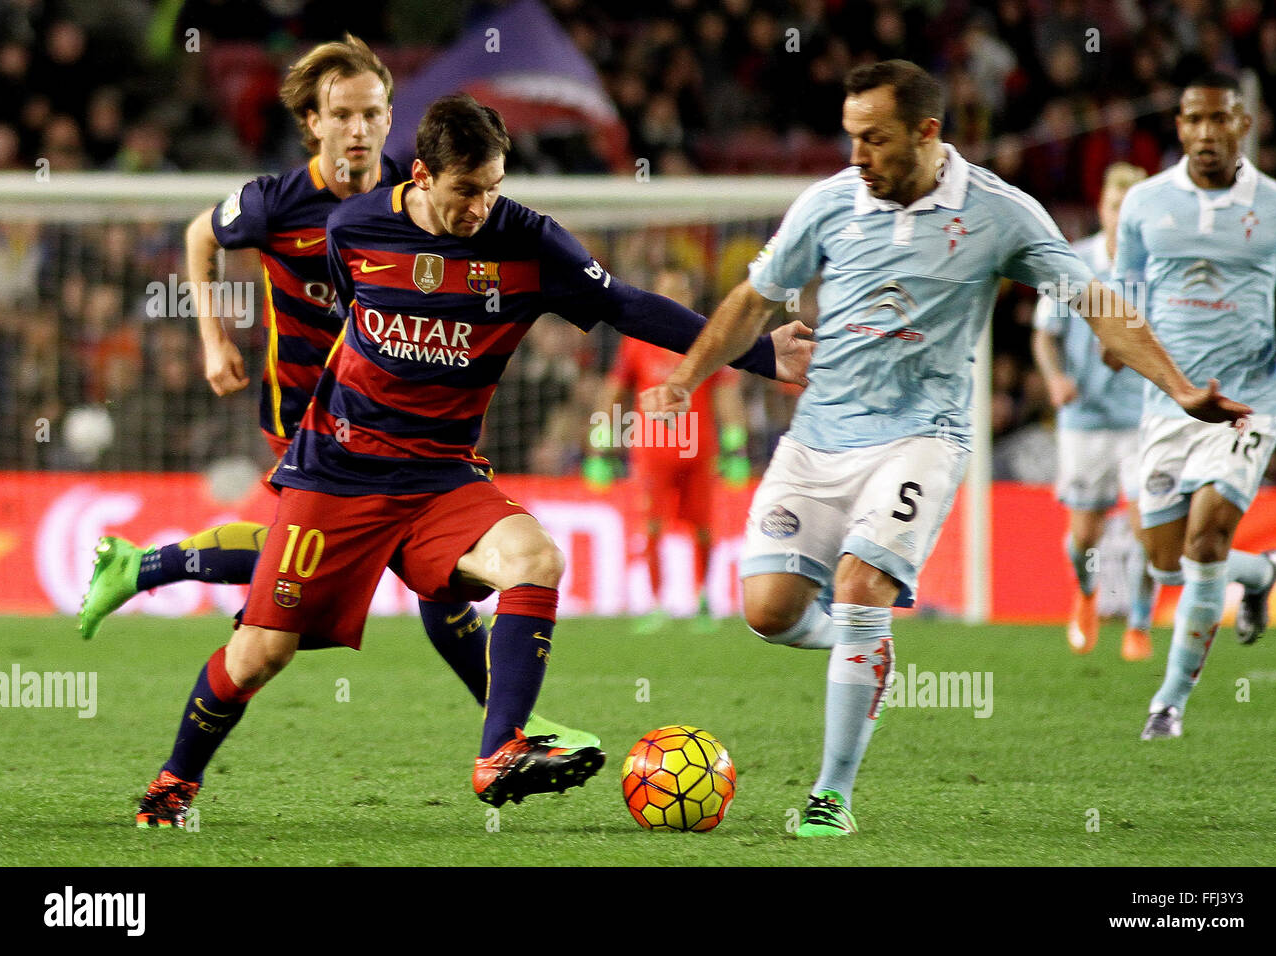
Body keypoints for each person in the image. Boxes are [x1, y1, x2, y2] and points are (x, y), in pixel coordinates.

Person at [133, 92, 814, 827]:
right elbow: (347, 315)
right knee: (260, 654)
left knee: (537, 560)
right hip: (337, 472)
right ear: (421, 175)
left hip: (440, 475)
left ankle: (501, 751)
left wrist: (756, 352)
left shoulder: (529, 242)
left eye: (493, 187)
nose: (481, 207)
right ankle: (173, 785)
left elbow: (629, 306)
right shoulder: (354, 225)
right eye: (465, 191)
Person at [641, 59, 1246, 837]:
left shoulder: (1001, 213)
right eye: (852, 137)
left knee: (861, 590)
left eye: (875, 139)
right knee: (767, 611)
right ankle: (867, 655)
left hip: (922, 439)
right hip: (819, 438)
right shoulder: (829, 204)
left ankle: (831, 795)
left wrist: (1181, 385)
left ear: (928, 133)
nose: (857, 155)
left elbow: (1098, 304)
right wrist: (686, 379)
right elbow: (752, 300)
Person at [78, 34, 596, 756]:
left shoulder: (415, 198)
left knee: (401, 571)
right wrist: (212, 337)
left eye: (373, 113)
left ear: (392, 121)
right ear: (313, 124)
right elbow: (201, 233)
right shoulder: (276, 201)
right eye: (343, 114)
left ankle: (509, 730)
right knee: (365, 569)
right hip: (309, 421)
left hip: (396, 418)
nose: (359, 129)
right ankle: (511, 729)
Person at [1113, 72, 1276, 741]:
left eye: (1220, 120)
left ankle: (1169, 703)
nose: (1206, 133)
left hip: (1248, 399)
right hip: (1168, 405)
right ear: (1180, 126)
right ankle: (1262, 573)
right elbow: (1120, 287)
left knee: (1207, 537)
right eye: (1193, 120)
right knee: (1168, 562)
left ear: (1242, 125)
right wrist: (1110, 336)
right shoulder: (1144, 203)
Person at [1032, 162, 1157, 661]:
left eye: (1130, 209)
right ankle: (1086, 593)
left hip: (1143, 420)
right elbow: (1045, 335)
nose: (1119, 216)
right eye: (1113, 206)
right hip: (1084, 419)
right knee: (1085, 535)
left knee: (1151, 526)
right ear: (1101, 208)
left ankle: (1140, 624)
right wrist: (1055, 378)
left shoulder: (1155, 271)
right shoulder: (1073, 266)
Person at [585, 268, 749, 632]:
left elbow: (726, 395)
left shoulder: (709, 339)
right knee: (651, 527)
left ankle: (704, 598)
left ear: (691, 298)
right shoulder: (636, 342)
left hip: (700, 453)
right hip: (651, 452)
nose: (673, 299)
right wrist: (599, 447)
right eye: (665, 293)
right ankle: (657, 603)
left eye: (680, 292)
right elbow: (613, 393)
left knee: (704, 529)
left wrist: (735, 447)